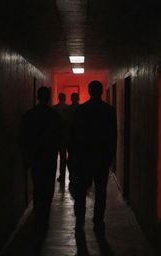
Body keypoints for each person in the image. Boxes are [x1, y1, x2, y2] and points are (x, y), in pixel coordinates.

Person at [70, 80, 117, 234]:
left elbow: (74, 136)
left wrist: (74, 158)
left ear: (89, 91)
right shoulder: (109, 111)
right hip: (102, 157)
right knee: (101, 191)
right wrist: (110, 157)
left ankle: (80, 218)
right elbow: (112, 136)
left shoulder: (81, 110)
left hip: (84, 157)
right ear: (102, 91)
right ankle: (98, 221)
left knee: (81, 189)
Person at [19, 86, 62, 230]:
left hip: (35, 156)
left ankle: (38, 213)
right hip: (49, 156)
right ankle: (45, 215)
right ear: (49, 97)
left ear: (37, 97)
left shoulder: (29, 115)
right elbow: (59, 137)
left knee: (37, 185)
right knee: (48, 185)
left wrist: (26, 158)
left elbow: (23, 138)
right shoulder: (53, 115)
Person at [66, 92, 80, 192]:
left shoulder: (67, 110)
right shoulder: (83, 109)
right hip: (80, 139)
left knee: (71, 158)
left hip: (71, 138)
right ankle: (77, 175)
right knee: (78, 158)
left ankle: (72, 175)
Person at [53, 93, 68, 183]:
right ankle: (62, 175)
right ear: (65, 98)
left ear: (59, 98)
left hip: (56, 136)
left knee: (56, 157)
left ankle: (60, 175)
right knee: (63, 158)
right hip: (65, 135)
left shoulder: (54, 108)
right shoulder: (67, 109)